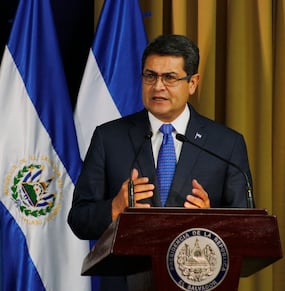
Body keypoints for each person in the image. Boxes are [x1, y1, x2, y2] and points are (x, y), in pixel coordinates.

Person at [68, 34, 253, 290]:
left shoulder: (226, 144)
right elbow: (79, 218)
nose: (157, 87)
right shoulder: (109, 138)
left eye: (170, 78)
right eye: (150, 76)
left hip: (199, 280)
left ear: (192, 83)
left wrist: (211, 221)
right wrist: (114, 208)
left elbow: (246, 230)